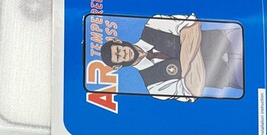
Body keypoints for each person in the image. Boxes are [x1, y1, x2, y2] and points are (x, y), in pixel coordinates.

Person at [99, 14, 244, 101]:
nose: (123, 53)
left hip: (230, 38)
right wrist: (187, 42)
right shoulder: (154, 87)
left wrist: (187, 70)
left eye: (118, 50)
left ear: (118, 41)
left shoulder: (153, 24)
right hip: (231, 76)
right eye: (118, 57)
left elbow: (193, 26)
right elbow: (194, 90)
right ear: (118, 66)